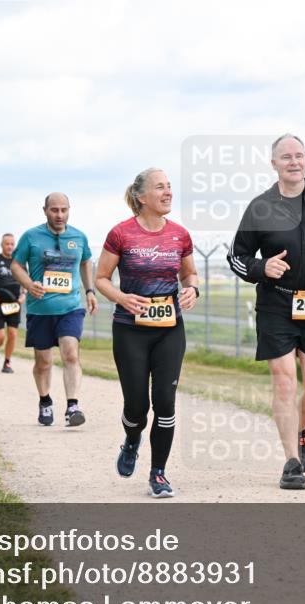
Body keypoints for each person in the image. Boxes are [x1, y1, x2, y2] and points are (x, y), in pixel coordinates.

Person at [227, 134, 305, 490]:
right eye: (286, 157)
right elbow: (237, 257)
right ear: (274, 164)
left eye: (299, 156)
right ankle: (291, 463)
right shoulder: (260, 207)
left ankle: (300, 426)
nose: (294, 162)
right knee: (284, 380)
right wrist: (261, 268)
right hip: (276, 304)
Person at [96, 168, 199, 498]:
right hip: (130, 330)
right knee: (136, 407)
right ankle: (131, 439)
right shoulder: (121, 234)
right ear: (141, 197)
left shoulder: (180, 235)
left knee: (165, 402)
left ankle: (158, 473)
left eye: (169, 187)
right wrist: (122, 297)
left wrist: (192, 289)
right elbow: (101, 279)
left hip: (170, 328)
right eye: (160, 188)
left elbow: (191, 274)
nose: (168, 192)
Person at [12, 193, 98, 427]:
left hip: (70, 307)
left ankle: (73, 406)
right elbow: (16, 265)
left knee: (70, 352)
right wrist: (29, 284)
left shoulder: (79, 237)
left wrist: (90, 290)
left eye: (64, 210)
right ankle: (45, 400)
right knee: (44, 362)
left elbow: (86, 261)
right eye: (54, 210)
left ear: (69, 210)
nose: (59, 215)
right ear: (45, 210)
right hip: (40, 309)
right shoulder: (31, 237)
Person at [0, 234, 26, 373]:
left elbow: (26, 280)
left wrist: (24, 294)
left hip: (14, 303)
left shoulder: (19, 262)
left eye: (12, 244)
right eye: (7, 244)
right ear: (2, 245)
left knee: (13, 334)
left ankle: (7, 362)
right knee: (0, 336)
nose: (10, 247)